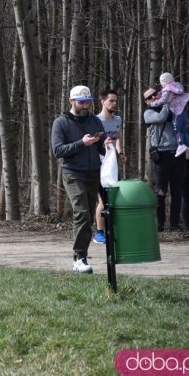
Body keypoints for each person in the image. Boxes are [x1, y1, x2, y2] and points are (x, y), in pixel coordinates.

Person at [51, 85, 111, 273]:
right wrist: (81, 143)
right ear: (71, 101)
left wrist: (108, 147)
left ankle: (82, 256)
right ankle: (79, 258)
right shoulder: (61, 123)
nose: (85, 106)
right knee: (83, 212)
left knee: (88, 217)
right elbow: (58, 150)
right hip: (72, 172)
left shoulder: (95, 121)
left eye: (88, 102)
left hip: (94, 172)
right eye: (81, 102)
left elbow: (101, 147)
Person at [143, 87, 189, 231]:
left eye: (156, 94)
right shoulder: (149, 112)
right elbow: (161, 117)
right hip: (162, 156)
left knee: (177, 191)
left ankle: (174, 224)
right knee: (160, 191)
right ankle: (159, 224)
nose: (155, 97)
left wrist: (182, 99)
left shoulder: (176, 110)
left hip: (178, 154)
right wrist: (168, 102)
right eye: (151, 97)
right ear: (146, 101)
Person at [93, 90, 128, 244]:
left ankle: (110, 230)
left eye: (115, 101)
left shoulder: (117, 119)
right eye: (111, 101)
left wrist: (120, 153)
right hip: (100, 163)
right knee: (103, 198)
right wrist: (101, 145)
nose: (114, 104)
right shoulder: (95, 120)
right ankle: (99, 233)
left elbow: (117, 138)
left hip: (112, 164)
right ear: (103, 101)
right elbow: (93, 142)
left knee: (112, 198)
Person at [149, 73, 189, 158]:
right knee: (184, 129)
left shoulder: (167, 89)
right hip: (183, 109)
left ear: (164, 81)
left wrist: (153, 104)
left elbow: (163, 100)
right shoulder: (176, 85)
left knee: (176, 128)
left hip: (176, 111)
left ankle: (181, 144)